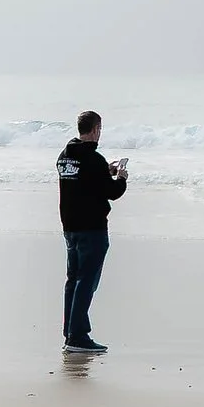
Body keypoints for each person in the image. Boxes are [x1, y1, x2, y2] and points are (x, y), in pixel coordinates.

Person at [56, 110, 128, 354]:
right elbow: (112, 192)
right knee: (87, 282)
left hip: (70, 227)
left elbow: (84, 180)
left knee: (73, 281)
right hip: (92, 228)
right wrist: (121, 178)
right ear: (96, 129)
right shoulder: (92, 159)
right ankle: (78, 336)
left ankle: (70, 333)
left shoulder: (65, 157)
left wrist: (104, 171)